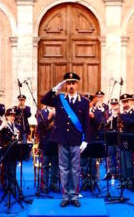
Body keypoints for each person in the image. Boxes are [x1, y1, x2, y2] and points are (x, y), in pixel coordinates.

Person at [40, 72, 90, 208]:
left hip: (76, 140)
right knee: (63, 168)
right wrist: (56, 87)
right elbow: (44, 100)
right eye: (68, 83)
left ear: (77, 84)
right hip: (62, 140)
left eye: (73, 83)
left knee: (75, 169)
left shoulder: (84, 102)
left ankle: (74, 196)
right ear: (65, 85)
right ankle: (65, 195)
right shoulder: (59, 99)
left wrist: (86, 140)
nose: (71, 86)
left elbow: (86, 122)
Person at [36, 103, 59, 193]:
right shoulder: (40, 112)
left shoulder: (59, 112)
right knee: (45, 166)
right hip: (45, 143)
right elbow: (40, 127)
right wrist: (49, 117)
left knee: (55, 166)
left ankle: (54, 184)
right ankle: (44, 185)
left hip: (55, 143)